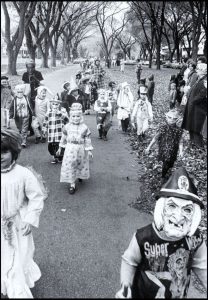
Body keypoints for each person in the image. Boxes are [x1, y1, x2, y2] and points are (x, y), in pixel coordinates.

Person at [115, 166, 207, 299]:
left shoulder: (195, 239)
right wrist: (125, 286)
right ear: (161, 208)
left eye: (187, 210)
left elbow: (203, 265)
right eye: (172, 206)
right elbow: (129, 261)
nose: (179, 216)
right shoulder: (143, 237)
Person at [1, 128, 47, 298]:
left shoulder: (23, 174)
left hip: (17, 224)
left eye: (4, 152)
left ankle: (18, 289)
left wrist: (30, 219)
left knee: (18, 257)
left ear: (13, 152)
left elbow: (36, 197)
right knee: (4, 256)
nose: (0, 156)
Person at [56, 103, 93, 194]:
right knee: (71, 165)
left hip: (81, 149)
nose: (76, 118)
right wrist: (60, 148)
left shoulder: (84, 127)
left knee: (80, 164)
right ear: (70, 116)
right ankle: (72, 183)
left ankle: (80, 175)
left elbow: (87, 139)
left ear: (81, 116)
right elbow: (64, 137)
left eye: (78, 116)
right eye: (73, 116)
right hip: (70, 149)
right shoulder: (67, 127)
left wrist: (89, 150)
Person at [145, 109, 184, 178]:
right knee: (166, 162)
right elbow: (155, 138)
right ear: (166, 118)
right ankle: (163, 176)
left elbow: (180, 141)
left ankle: (167, 171)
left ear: (177, 119)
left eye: (174, 119)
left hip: (173, 150)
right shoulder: (163, 128)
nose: (171, 120)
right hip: (164, 149)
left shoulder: (179, 130)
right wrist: (149, 147)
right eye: (170, 118)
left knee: (171, 163)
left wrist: (181, 151)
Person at [181, 62, 207, 149]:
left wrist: (193, 101)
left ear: (204, 71)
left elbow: (202, 95)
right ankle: (193, 143)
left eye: (199, 69)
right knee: (191, 126)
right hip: (193, 107)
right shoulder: (199, 78)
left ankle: (199, 147)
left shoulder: (205, 80)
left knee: (196, 128)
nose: (197, 70)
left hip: (198, 109)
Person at [42, 96, 69, 164]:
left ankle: (59, 157)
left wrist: (60, 114)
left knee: (59, 145)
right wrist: (44, 131)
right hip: (51, 133)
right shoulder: (48, 113)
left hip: (59, 133)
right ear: (51, 105)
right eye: (53, 104)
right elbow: (45, 122)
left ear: (59, 105)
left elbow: (67, 120)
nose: (55, 106)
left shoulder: (62, 112)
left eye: (56, 104)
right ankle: (54, 156)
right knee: (51, 146)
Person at [22, 59, 44, 136]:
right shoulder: (25, 74)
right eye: (28, 68)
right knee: (30, 112)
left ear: (34, 67)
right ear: (26, 67)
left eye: (32, 67)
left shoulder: (38, 73)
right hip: (28, 95)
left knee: (38, 111)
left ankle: (40, 127)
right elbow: (24, 85)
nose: (30, 69)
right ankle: (31, 130)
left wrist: (35, 78)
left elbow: (42, 84)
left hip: (37, 94)